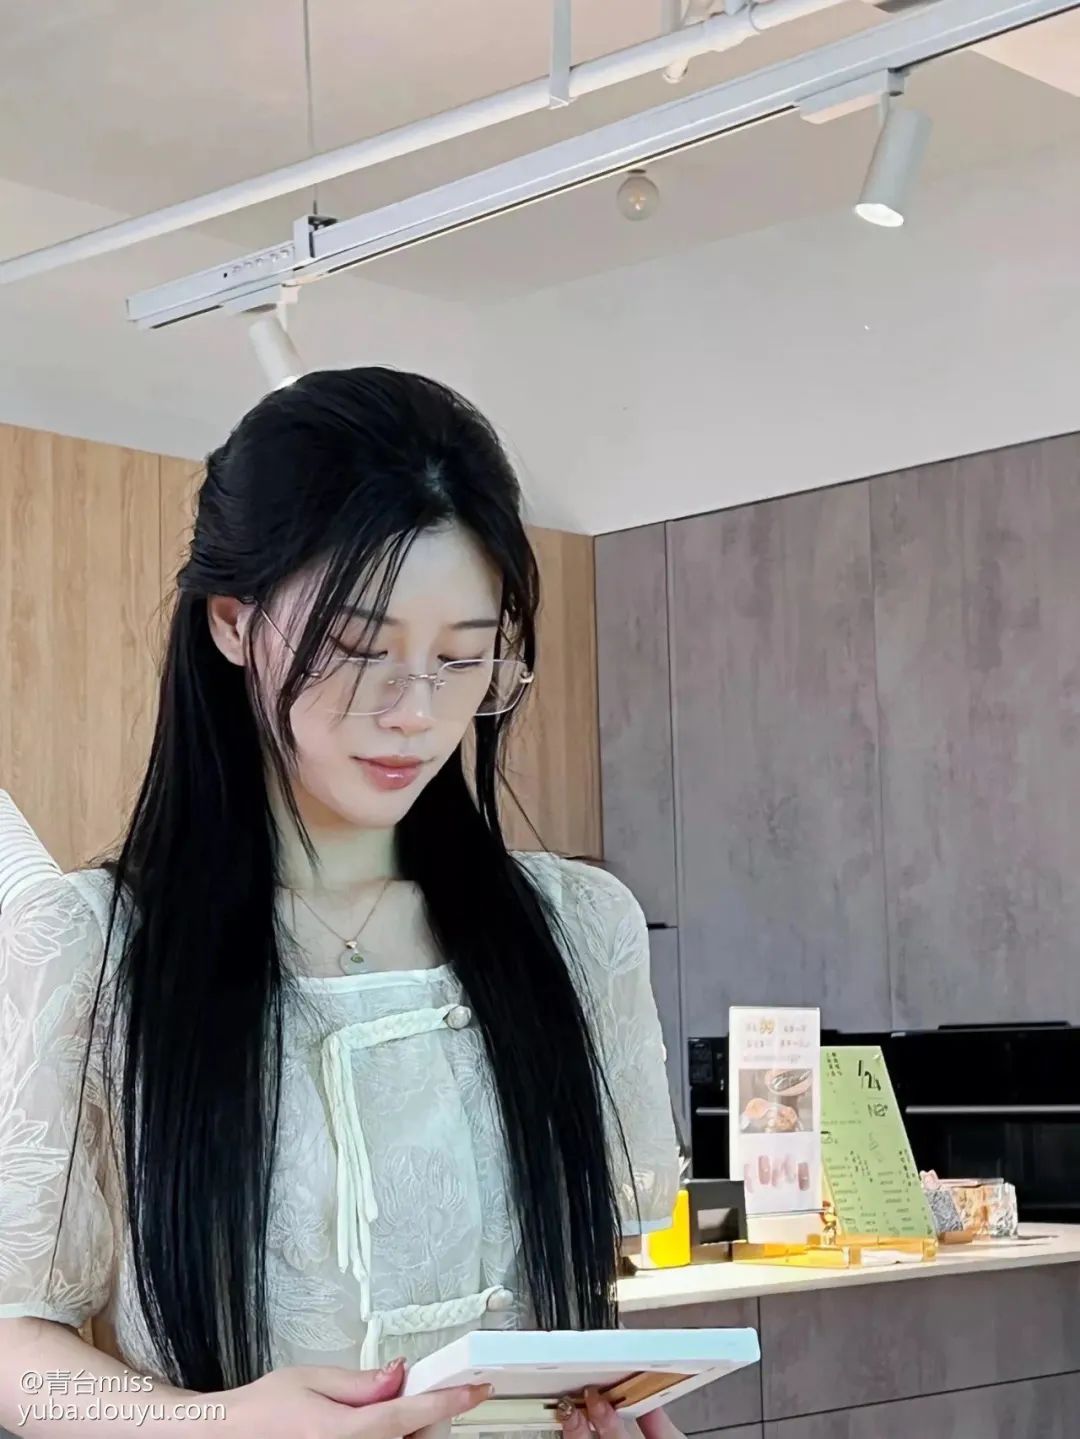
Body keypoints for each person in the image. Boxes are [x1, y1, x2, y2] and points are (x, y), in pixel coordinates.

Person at [0, 369, 681, 1439]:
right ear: (234, 620)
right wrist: (213, 1428)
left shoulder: (576, 928)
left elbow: (580, 1302)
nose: (416, 711)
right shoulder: (91, 947)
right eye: (361, 649)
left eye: (461, 656)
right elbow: (15, 1339)